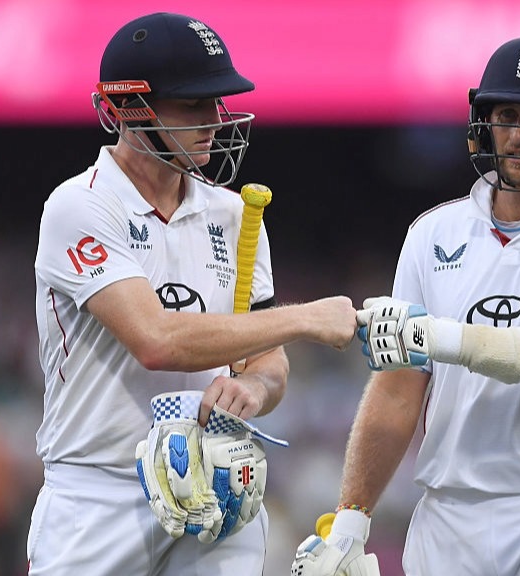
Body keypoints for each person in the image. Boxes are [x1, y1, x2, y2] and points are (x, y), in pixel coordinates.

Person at [293, 36, 520, 575]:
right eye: (507, 114)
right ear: (484, 120)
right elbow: (398, 389)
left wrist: (437, 337)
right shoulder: (433, 232)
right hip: (450, 514)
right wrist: (350, 522)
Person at [28, 12, 357, 575]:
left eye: (217, 101)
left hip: (216, 482)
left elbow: (267, 364)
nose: (214, 120)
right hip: (98, 495)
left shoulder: (234, 213)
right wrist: (302, 319)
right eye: (193, 104)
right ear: (131, 110)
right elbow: (158, 341)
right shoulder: (80, 207)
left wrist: (255, 386)